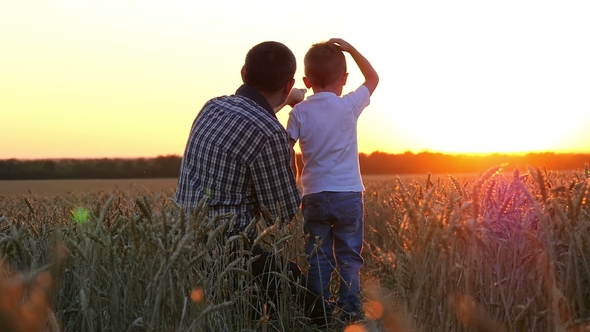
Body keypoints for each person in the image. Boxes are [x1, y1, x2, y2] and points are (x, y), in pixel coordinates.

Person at [175, 41, 322, 323]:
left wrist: (284, 101)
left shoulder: (212, 107)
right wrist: (286, 149)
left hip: (181, 242)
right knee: (311, 307)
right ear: (290, 83)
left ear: (243, 73)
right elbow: (281, 212)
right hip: (228, 255)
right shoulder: (270, 134)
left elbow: (250, 122)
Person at [286, 38, 379, 324]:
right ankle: (350, 311)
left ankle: (319, 315)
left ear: (306, 80)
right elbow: (374, 78)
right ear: (344, 78)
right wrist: (351, 50)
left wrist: (297, 175)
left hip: (314, 195)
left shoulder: (298, 111)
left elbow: (285, 147)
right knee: (349, 258)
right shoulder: (349, 105)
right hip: (349, 194)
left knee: (317, 257)